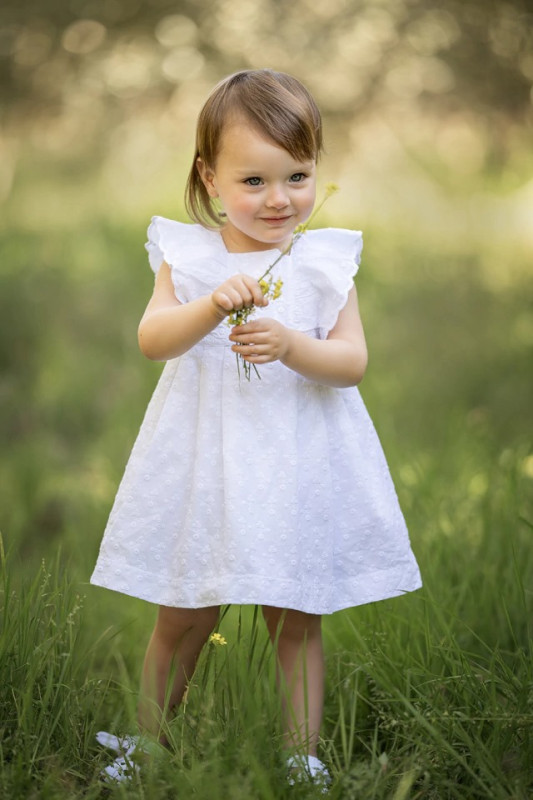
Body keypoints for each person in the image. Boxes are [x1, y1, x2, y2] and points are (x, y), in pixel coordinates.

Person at [91, 68, 422, 789]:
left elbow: (350, 363)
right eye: (253, 181)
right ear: (210, 179)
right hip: (205, 464)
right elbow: (153, 340)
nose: (279, 200)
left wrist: (294, 347)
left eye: (297, 176)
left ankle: (299, 754)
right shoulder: (189, 258)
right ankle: (146, 743)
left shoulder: (324, 262)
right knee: (182, 608)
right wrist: (211, 306)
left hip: (296, 464)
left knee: (294, 614)